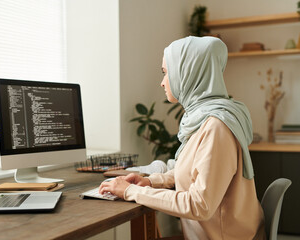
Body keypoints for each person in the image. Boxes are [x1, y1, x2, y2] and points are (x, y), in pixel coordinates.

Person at [99, 36, 266, 240]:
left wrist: (131, 192)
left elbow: (200, 205)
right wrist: (149, 182)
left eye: (166, 72)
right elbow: (192, 173)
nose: (162, 82)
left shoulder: (216, 127)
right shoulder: (204, 118)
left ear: (188, 73)